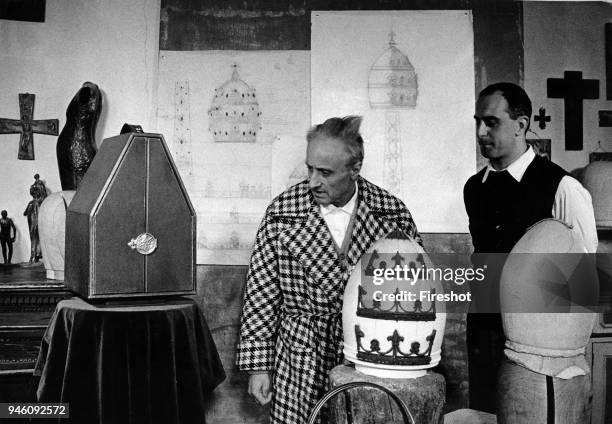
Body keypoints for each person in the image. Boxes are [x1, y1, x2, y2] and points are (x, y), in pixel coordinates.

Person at [236, 116, 422, 424]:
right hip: (299, 358)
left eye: (325, 172)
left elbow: (413, 294)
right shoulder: (282, 212)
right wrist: (259, 367)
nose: (312, 182)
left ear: (355, 168)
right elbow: (261, 295)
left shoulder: (393, 213)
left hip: (367, 356)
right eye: (309, 168)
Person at [463, 82, 598, 413]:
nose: (481, 131)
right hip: (483, 335)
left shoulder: (562, 188)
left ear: (521, 125)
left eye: (492, 121)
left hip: (537, 351)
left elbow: (584, 276)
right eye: (478, 121)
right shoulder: (473, 188)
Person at [23, 174, 48, 263]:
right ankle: (34, 255)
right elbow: (25, 213)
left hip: (36, 218)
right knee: (34, 235)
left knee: (36, 235)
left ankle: (35, 255)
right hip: (34, 219)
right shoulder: (33, 203)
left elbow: (25, 213)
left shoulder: (34, 202)